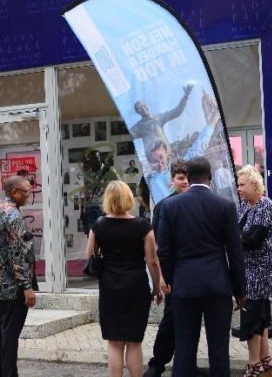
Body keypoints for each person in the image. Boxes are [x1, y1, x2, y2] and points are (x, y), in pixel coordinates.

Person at [157, 156, 246, 377]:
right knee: (218, 347)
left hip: (184, 285)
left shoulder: (170, 206)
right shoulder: (225, 206)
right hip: (218, 285)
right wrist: (240, 291)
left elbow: (164, 250)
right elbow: (235, 252)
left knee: (185, 346)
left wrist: (167, 280)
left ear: (188, 176)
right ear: (211, 178)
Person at [85, 180, 162, 377]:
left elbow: (88, 255)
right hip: (136, 286)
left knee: (114, 341)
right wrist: (156, 287)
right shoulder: (143, 226)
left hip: (110, 287)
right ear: (129, 198)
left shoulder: (99, 225)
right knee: (134, 341)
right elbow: (152, 260)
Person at [0, 175, 38, 377]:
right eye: (26, 192)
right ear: (14, 192)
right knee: (9, 338)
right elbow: (17, 253)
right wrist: (27, 286)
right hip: (10, 288)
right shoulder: (13, 216)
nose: (29, 196)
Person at [144, 160, 189, 377]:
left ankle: (184, 364)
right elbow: (156, 247)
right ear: (172, 179)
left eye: (188, 177)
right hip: (172, 274)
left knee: (189, 322)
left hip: (194, 273)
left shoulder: (197, 203)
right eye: (181, 178)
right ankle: (157, 364)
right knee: (170, 320)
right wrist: (160, 277)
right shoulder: (163, 206)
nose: (185, 182)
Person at [236, 165, 272, 377]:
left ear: (255, 185)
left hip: (262, 268)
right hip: (249, 267)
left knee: (251, 313)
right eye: (238, 185)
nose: (239, 189)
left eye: (242, 185)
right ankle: (265, 357)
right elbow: (238, 232)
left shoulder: (265, 205)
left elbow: (253, 240)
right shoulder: (245, 206)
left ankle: (253, 364)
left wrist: (230, 237)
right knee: (261, 312)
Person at [146, 91, 220, 203]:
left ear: (166, 153)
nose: (160, 164)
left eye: (161, 157)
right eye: (155, 161)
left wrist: (213, 122)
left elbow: (197, 148)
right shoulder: (152, 181)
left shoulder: (178, 169)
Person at [129, 85, 193, 162]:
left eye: (144, 105)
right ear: (137, 112)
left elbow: (177, 111)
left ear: (147, 106)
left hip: (168, 157)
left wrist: (185, 96)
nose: (143, 108)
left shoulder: (159, 117)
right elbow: (128, 136)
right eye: (140, 108)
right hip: (155, 162)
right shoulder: (139, 126)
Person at [81, 149, 119, 235]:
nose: (95, 161)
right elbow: (87, 192)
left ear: (100, 159)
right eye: (92, 159)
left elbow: (119, 188)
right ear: (89, 161)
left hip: (104, 207)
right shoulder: (88, 174)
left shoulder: (110, 172)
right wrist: (84, 209)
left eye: (96, 158)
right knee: (91, 234)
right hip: (90, 208)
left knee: (104, 233)